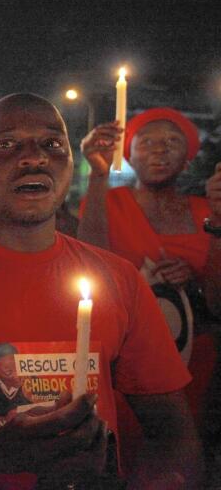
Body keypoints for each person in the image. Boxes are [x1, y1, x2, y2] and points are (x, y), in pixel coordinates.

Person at [0, 93, 201, 488]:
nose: (34, 158)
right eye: (7, 144)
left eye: (52, 144)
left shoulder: (118, 280)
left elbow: (172, 433)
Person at [78, 107, 221, 477]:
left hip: (195, 357)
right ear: (129, 152)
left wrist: (195, 275)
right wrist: (98, 174)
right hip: (127, 358)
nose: (160, 150)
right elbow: (91, 259)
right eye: (148, 142)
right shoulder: (107, 201)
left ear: (189, 155)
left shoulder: (209, 210)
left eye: (172, 142)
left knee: (182, 453)